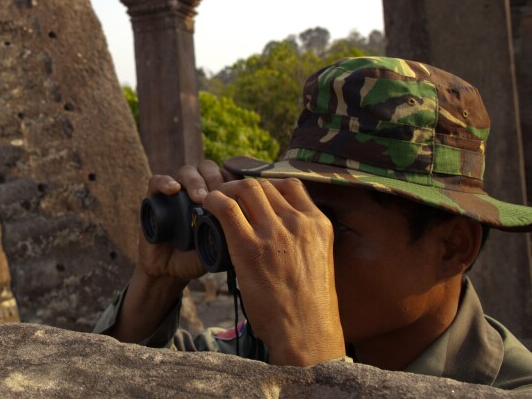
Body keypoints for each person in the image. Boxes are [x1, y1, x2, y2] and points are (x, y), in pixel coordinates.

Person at [94, 56, 532, 390]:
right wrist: (155, 283)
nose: (296, 244)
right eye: (291, 211)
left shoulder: (511, 386)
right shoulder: (258, 347)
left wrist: (315, 366)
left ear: (454, 245)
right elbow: (105, 383)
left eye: (325, 224)